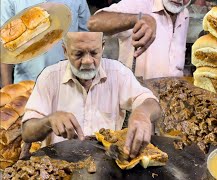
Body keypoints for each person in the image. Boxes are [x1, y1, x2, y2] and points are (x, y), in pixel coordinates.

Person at [21, 32, 161, 158]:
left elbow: (152, 104)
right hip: (59, 167)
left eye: (94, 53)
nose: (87, 61)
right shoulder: (49, 77)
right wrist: (48, 121)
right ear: (65, 51)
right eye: (78, 54)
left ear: (103, 47)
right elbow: (27, 132)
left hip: (106, 165)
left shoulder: (118, 73)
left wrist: (143, 114)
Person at [87, 0, 191, 79]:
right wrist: (139, 18)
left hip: (173, 101)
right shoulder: (140, 3)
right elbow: (94, 24)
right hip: (138, 100)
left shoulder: (184, 14)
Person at [0, 0, 90, 87]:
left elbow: (87, 40)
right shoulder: (9, 1)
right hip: (28, 85)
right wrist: (6, 90)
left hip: (70, 82)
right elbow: (4, 49)